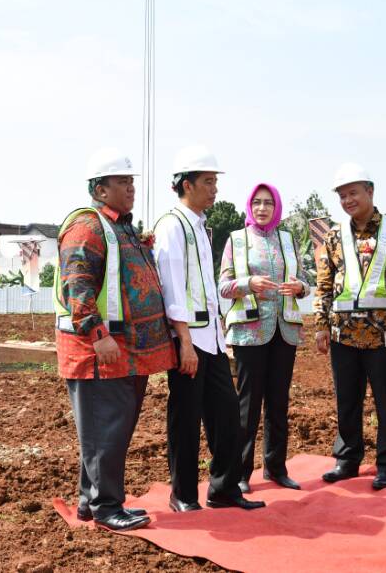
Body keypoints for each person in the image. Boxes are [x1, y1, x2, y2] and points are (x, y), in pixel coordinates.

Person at [54, 148, 176, 531]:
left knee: (111, 429)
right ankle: (107, 507)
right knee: (104, 430)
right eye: (123, 182)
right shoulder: (87, 228)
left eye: (132, 181)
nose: (131, 188)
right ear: (100, 189)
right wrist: (97, 333)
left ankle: (92, 502)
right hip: (101, 349)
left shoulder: (121, 226)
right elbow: (78, 284)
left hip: (126, 351)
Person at [153, 146, 265, 512]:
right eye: (208, 182)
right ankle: (183, 495)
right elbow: (171, 288)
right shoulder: (173, 225)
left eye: (215, 182)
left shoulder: (200, 227)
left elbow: (203, 286)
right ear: (187, 184)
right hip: (189, 339)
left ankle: (223, 488)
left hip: (211, 339)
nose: (215, 189)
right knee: (185, 420)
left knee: (227, 414)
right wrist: (184, 341)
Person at [314, 163, 386, 490]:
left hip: (385, 333)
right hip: (344, 335)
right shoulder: (333, 236)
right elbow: (324, 282)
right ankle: (347, 458)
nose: (347, 200)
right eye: (342, 195)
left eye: (353, 192)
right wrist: (321, 324)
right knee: (347, 400)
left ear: (370, 190)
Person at [219, 182, 309, 493]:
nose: (262, 208)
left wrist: (300, 288)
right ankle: (241, 472)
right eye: (256, 202)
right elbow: (224, 286)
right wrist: (248, 283)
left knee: (278, 403)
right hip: (249, 331)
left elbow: (303, 280)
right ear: (249, 206)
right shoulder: (236, 240)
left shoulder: (287, 240)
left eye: (268, 203)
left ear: (277, 207)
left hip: (284, 331)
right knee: (248, 405)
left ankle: (275, 467)